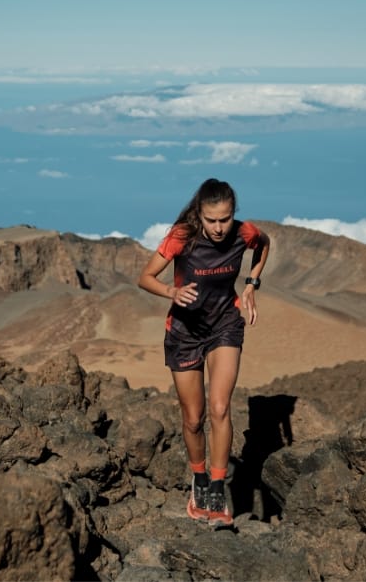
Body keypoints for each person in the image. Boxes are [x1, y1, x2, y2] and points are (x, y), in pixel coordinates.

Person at [137, 178, 270, 526]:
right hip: (184, 333)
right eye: (211, 220)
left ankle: (216, 488)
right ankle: (198, 480)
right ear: (200, 214)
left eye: (224, 219)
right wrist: (171, 292)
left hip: (225, 325)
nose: (218, 228)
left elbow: (264, 245)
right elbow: (145, 277)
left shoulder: (244, 233)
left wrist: (252, 284)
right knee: (193, 419)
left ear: (232, 214)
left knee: (220, 408)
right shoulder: (182, 236)